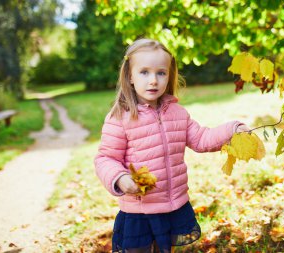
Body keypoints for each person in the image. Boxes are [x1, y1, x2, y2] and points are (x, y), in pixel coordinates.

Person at [94, 38, 249, 253]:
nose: (153, 80)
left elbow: (201, 139)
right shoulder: (120, 117)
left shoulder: (177, 113)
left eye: (161, 73)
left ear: (169, 75)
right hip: (141, 209)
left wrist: (232, 129)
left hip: (172, 205)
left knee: (163, 249)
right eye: (144, 72)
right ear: (130, 76)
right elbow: (105, 158)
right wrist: (119, 178)